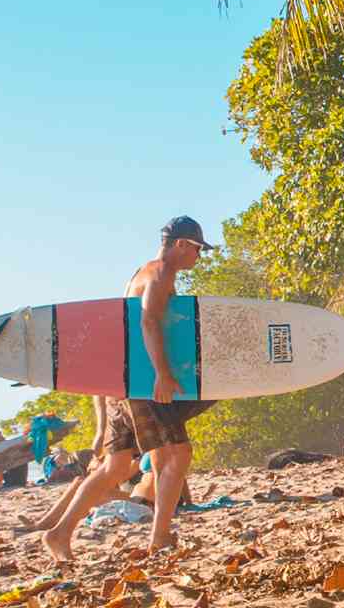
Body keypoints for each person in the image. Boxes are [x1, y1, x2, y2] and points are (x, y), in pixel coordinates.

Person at [36, 218, 219, 562]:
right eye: (197, 249)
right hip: (144, 383)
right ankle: (161, 536)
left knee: (117, 466)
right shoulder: (161, 273)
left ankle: (59, 534)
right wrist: (163, 375)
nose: (199, 256)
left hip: (124, 381)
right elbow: (148, 321)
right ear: (181, 244)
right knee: (178, 455)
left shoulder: (141, 272)